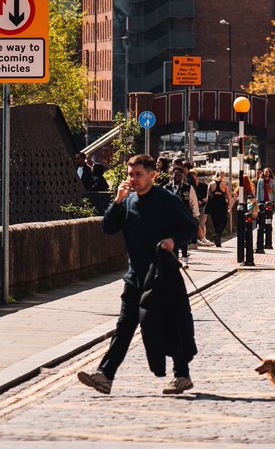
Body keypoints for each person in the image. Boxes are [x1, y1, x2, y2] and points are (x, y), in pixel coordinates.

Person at [78, 154, 200, 396]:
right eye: (130, 174)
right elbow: (108, 227)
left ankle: (182, 375)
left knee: (170, 323)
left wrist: (172, 240)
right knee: (124, 326)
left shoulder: (167, 200)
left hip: (162, 275)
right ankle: (105, 375)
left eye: (138, 174)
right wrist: (117, 202)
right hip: (135, 277)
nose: (133, 179)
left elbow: (190, 227)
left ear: (152, 175)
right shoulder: (128, 201)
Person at [205, 173, 230, 247]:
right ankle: (218, 234)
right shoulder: (224, 184)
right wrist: (230, 206)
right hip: (222, 203)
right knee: (224, 220)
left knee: (215, 221)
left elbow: (208, 196)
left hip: (213, 203)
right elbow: (228, 196)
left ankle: (217, 241)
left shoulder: (211, 184)